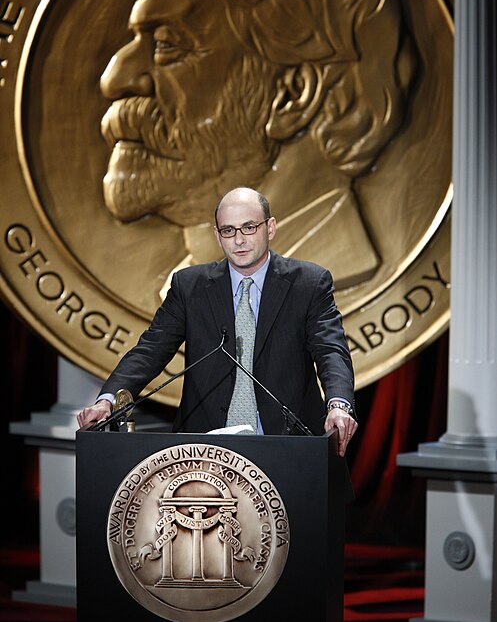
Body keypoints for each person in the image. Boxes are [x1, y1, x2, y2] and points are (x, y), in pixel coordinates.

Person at [99, 0, 417, 292]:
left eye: (168, 44)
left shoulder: (325, 278)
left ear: (293, 93)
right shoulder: (184, 290)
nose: (113, 78)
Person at [77, 188, 357, 455]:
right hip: (204, 450)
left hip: (288, 446)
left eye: (249, 227)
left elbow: (331, 351)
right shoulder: (190, 286)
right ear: (217, 235)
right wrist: (108, 400)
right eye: (228, 230)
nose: (239, 240)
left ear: (270, 227)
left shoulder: (308, 283)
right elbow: (151, 349)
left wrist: (339, 405)